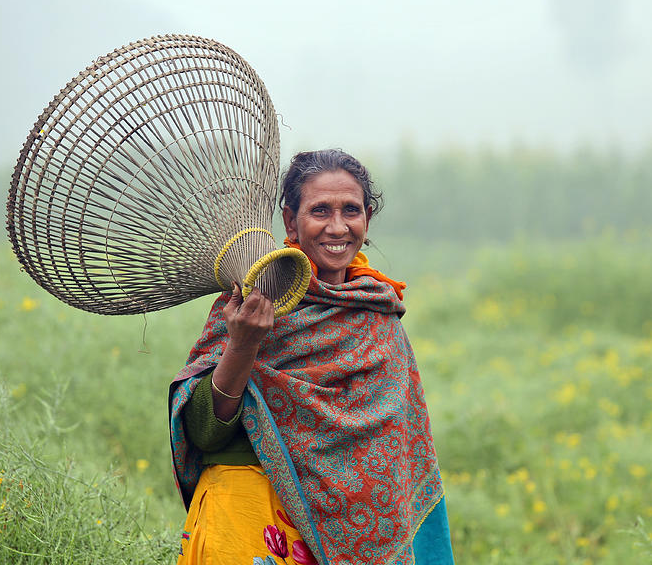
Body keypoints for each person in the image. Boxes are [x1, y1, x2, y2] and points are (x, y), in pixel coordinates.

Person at [169, 149, 454, 564]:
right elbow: (202, 433)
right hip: (245, 522)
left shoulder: (378, 316)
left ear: (367, 219)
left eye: (350, 210)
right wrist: (243, 344)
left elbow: (400, 464)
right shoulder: (251, 303)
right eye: (320, 210)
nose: (337, 227)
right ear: (290, 221)